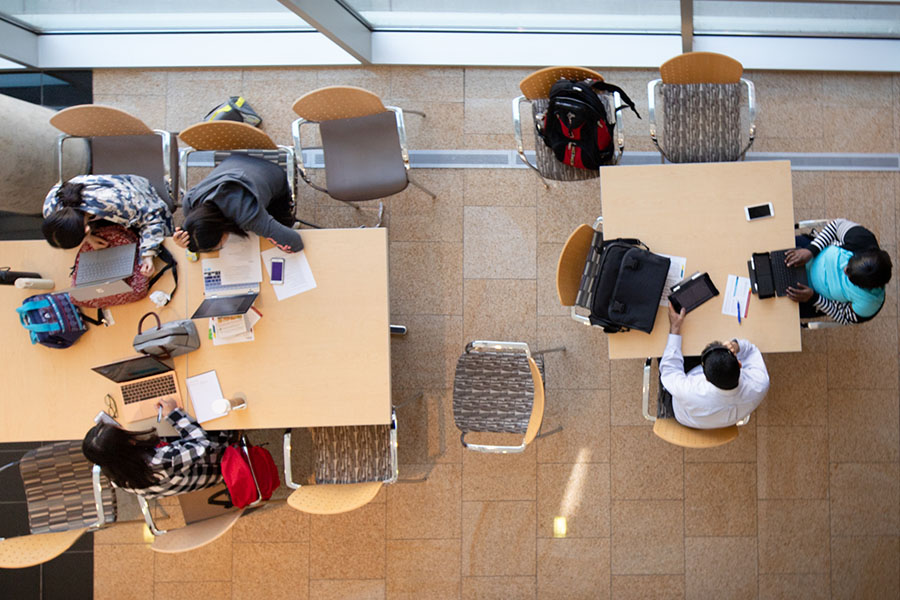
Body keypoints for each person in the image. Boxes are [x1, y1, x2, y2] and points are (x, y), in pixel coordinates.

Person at [82, 398, 233, 499]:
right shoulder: (159, 462)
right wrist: (174, 415)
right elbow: (203, 444)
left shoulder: (117, 472)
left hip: (186, 467)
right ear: (130, 443)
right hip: (222, 460)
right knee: (214, 404)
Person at [658, 304, 770, 429]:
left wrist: (675, 327)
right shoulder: (759, 383)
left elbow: (669, 370)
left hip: (684, 413)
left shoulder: (689, 390)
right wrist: (736, 346)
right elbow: (751, 351)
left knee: (665, 350)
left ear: (705, 377)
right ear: (739, 364)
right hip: (718, 415)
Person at [42, 174, 174, 276]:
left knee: (165, 247)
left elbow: (153, 216)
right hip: (100, 211)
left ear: (87, 229)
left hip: (137, 193)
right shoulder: (51, 210)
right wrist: (89, 239)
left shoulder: (113, 202)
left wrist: (148, 255)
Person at [173, 154, 303, 254]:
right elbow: (199, 232)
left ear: (221, 230)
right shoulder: (190, 203)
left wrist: (270, 232)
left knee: (280, 227)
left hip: (272, 176)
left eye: (218, 247)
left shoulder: (247, 215)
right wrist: (186, 243)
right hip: (234, 162)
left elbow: (295, 244)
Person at [784, 218, 892, 325]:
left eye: (850, 278)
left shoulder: (870, 303)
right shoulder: (863, 239)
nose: (844, 270)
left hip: (809, 297)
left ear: (865, 287)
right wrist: (811, 250)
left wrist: (814, 298)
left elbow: (843, 317)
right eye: (849, 264)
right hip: (808, 249)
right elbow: (835, 226)